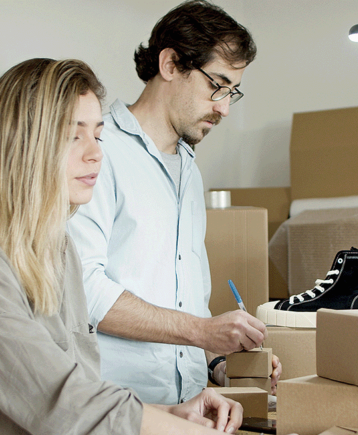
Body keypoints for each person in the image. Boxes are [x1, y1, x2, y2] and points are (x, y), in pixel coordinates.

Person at [0, 56, 358, 435]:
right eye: (73, 136)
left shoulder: (57, 249)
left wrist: (174, 409)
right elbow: (66, 401)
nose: (95, 153)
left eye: (98, 134)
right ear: (22, 143)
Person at [67, 0, 281, 410]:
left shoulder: (189, 170)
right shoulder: (98, 153)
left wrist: (220, 361)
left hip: (190, 414)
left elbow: (188, 302)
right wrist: (202, 330)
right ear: (169, 64)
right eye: (217, 85)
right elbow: (83, 291)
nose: (224, 107)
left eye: (232, 92)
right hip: (115, 420)